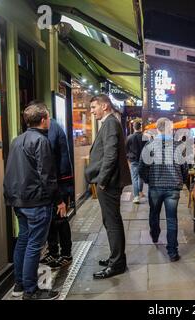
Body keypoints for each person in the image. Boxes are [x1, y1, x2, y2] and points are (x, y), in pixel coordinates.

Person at [3, 101, 65, 300]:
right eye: (48, 117)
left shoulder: (16, 140)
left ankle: (19, 285)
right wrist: (59, 200)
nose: (49, 120)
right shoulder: (41, 141)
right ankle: (31, 291)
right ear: (44, 119)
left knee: (23, 240)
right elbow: (47, 174)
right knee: (34, 245)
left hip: (18, 201)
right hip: (37, 202)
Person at [85, 94, 131, 279]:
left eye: (94, 107)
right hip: (109, 182)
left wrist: (102, 181)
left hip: (109, 183)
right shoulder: (110, 122)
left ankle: (117, 263)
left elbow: (111, 155)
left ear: (104, 106)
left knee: (112, 223)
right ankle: (116, 258)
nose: (92, 111)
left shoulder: (110, 123)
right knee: (110, 221)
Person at [139, 118, 188, 262]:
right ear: (171, 129)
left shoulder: (150, 145)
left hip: (155, 187)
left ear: (158, 129)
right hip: (173, 188)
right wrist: (182, 181)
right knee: (172, 219)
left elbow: (142, 168)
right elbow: (185, 168)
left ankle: (155, 235)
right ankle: (172, 252)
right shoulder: (179, 146)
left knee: (154, 214)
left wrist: (148, 180)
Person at [39, 116, 74, 270]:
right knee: (53, 220)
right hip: (56, 181)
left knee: (60, 219)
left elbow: (49, 155)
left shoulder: (52, 128)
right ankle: (53, 252)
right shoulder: (51, 127)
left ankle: (65, 254)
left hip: (59, 181)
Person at [126, 121, 147, 204]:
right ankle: (140, 191)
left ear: (134, 127)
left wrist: (128, 157)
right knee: (140, 177)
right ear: (140, 127)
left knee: (134, 178)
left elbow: (126, 149)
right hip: (142, 160)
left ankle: (136, 197)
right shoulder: (144, 137)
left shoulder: (129, 137)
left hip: (133, 160)